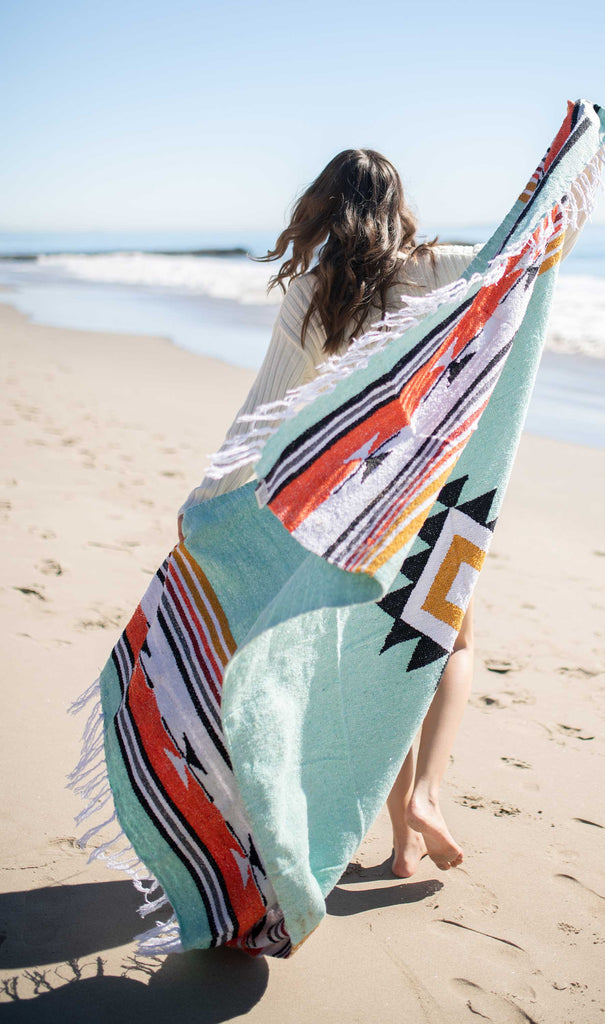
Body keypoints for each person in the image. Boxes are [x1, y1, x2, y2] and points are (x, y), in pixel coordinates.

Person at [177, 149, 482, 880]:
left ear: (324, 207)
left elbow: (266, 412)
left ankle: (405, 847)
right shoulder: (448, 268)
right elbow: (530, 253)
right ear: (397, 203)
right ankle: (428, 799)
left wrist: (206, 495)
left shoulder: (312, 294)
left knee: (387, 656)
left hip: (349, 506)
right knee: (452, 645)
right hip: (435, 487)